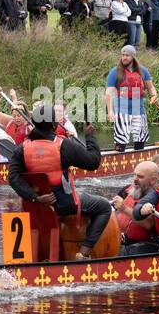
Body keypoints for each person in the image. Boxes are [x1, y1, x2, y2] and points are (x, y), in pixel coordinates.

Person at [8, 102, 112, 261]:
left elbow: (13, 179)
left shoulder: (20, 149)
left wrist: (35, 198)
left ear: (33, 123)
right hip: (63, 205)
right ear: (55, 124)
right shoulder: (64, 145)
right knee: (104, 206)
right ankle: (83, 253)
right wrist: (90, 137)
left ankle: (25, 259)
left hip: (33, 206)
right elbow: (93, 162)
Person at [106, 44, 158, 152]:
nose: (124, 57)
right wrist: (110, 111)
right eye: (123, 55)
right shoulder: (115, 72)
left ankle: (139, 158)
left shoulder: (143, 71)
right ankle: (119, 158)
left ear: (133, 57)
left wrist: (154, 96)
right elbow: (109, 92)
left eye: (127, 55)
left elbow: (150, 87)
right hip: (122, 109)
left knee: (140, 138)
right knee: (121, 138)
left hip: (138, 109)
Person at [112, 161, 159, 254]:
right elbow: (114, 212)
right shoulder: (127, 190)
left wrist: (124, 208)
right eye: (134, 175)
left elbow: (148, 224)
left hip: (140, 246)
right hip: (118, 239)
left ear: (153, 180)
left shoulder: (157, 197)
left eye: (140, 177)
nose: (135, 179)